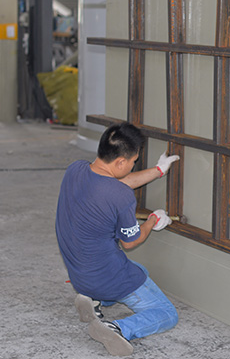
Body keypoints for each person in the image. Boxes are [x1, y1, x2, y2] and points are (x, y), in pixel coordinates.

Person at [55, 122, 181, 356]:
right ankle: (117, 328)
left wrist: (158, 170)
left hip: (80, 276)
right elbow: (130, 242)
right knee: (166, 313)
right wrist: (153, 220)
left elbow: (113, 184)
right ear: (121, 162)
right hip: (107, 278)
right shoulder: (121, 196)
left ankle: (93, 300)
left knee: (140, 270)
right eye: (134, 161)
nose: (134, 165)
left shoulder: (75, 170)